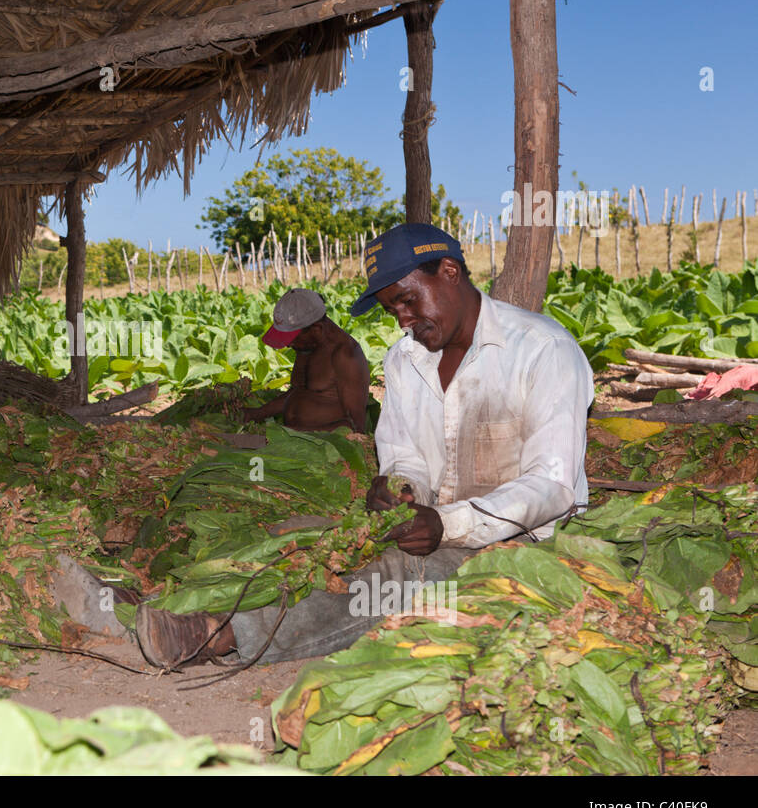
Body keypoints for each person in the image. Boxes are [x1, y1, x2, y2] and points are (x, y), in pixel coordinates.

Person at [61, 223, 594, 669]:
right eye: (392, 311)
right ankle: (165, 602)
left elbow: (552, 487)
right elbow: (405, 454)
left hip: (522, 543)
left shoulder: (543, 350)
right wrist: (402, 491)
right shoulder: (406, 360)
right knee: (308, 541)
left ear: (449, 273)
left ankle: (211, 632)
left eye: (407, 300)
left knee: (390, 579)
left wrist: (448, 524)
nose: (403, 321)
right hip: (432, 527)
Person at [241, 288, 370, 433]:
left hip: (327, 448)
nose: (289, 345)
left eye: (292, 338)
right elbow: (299, 391)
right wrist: (255, 414)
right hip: (294, 440)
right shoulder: (306, 345)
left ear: (316, 329)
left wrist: (294, 433)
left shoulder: (346, 356)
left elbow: (355, 426)